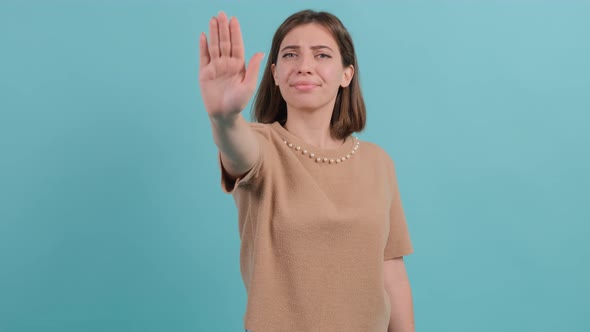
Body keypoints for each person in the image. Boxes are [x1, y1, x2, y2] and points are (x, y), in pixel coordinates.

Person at [199, 9, 414, 332]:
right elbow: (236, 148)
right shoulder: (261, 146)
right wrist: (224, 119)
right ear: (274, 73)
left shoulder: (378, 162)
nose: (304, 66)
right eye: (290, 55)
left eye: (322, 54)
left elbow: (392, 274)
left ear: (346, 74)